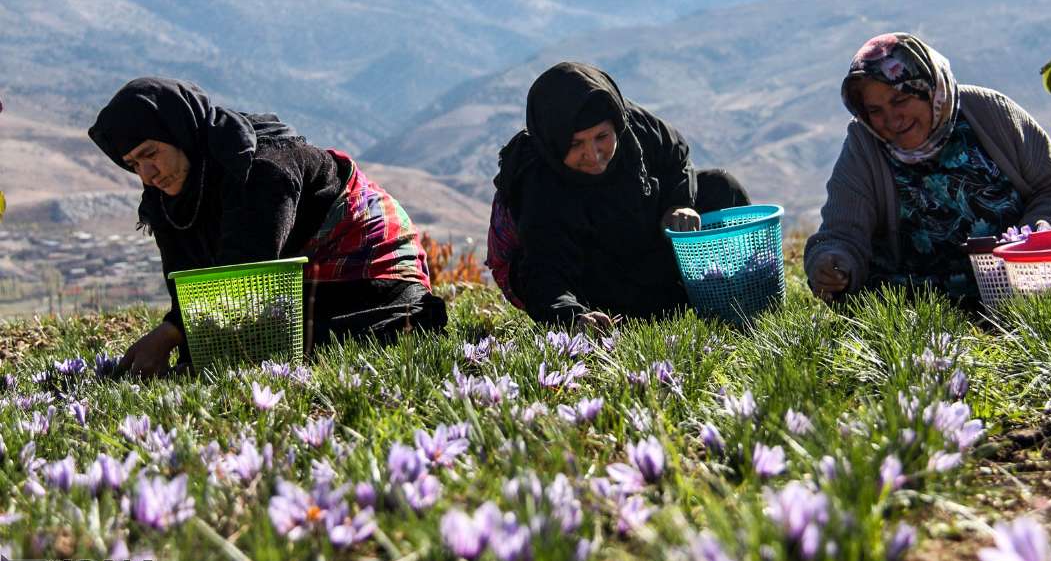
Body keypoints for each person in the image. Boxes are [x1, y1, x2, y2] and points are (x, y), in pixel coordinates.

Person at [88, 78, 446, 376]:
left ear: (180, 132)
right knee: (227, 354)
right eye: (134, 164)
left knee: (314, 347)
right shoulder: (167, 191)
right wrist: (185, 334)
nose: (147, 175)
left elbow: (245, 271)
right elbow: (186, 278)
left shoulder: (262, 167)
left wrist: (170, 333)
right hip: (288, 276)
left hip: (365, 268)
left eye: (151, 154)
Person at [805, 33, 1051, 304]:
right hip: (917, 307)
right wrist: (832, 263)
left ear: (929, 89)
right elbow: (842, 232)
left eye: (900, 100)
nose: (891, 119)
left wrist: (1037, 236)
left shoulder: (988, 112)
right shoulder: (864, 145)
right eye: (875, 110)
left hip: (1025, 287)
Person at [486, 61, 750, 328]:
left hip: (644, 238)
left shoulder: (633, 124)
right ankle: (660, 305)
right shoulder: (541, 183)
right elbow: (545, 270)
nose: (594, 154)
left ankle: (735, 291)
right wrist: (571, 317)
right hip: (598, 271)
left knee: (721, 187)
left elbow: (676, 160)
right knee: (637, 303)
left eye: (602, 136)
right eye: (576, 143)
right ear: (555, 141)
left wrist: (680, 205)